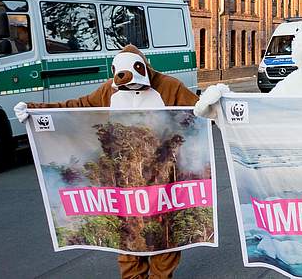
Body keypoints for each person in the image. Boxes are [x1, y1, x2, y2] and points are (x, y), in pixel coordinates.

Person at [14, 46, 198, 279]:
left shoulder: (169, 86)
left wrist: (216, 103)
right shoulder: (108, 91)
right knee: (128, 235)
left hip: (163, 176)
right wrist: (36, 110)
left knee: (165, 234)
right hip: (125, 177)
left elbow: (199, 111)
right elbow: (77, 107)